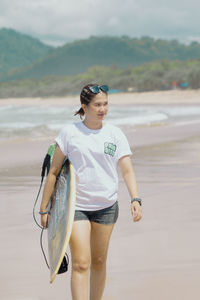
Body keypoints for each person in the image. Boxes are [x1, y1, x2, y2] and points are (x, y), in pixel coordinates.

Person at [40, 83, 142, 300]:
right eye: (97, 105)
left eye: (105, 104)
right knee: (81, 262)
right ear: (84, 107)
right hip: (76, 206)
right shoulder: (70, 133)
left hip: (106, 206)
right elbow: (54, 172)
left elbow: (127, 170)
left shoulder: (115, 134)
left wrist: (135, 198)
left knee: (98, 261)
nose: (102, 109)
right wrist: (44, 208)